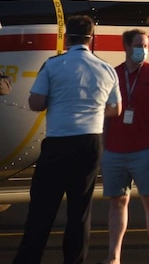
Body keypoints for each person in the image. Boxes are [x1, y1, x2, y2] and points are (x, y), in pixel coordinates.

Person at [14, 14, 122, 264]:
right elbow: (115, 109)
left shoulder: (53, 65)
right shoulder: (106, 69)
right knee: (80, 212)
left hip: (59, 142)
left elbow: (36, 102)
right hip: (91, 143)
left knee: (42, 210)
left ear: (66, 37)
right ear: (91, 37)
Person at [101, 29, 149, 264]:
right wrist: (105, 146)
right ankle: (114, 257)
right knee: (117, 201)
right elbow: (104, 113)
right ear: (125, 47)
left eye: (146, 45)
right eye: (139, 45)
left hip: (144, 150)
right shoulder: (113, 75)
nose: (143, 50)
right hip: (115, 151)